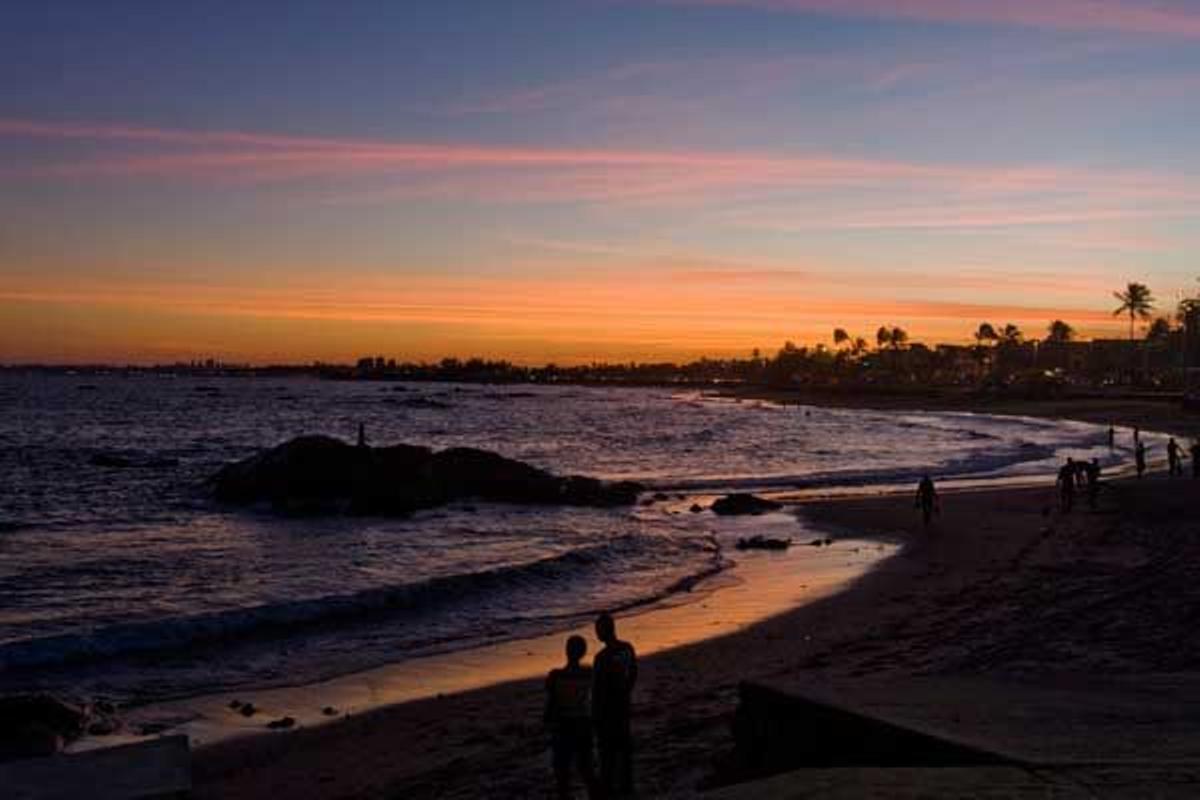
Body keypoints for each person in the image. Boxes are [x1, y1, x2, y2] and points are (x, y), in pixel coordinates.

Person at [545, 635, 596, 800]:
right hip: (583, 723)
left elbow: (551, 703)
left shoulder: (555, 676)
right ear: (583, 652)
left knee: (562, 771)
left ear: (567, 651)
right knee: (586, 767)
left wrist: (548, 720)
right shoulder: (589, 673)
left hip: (564, 725)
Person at [593, 613, 637, 798]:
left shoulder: (603, 657)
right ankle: (626, 786)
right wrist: (626, 690)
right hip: (623, 704)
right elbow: (633, 672)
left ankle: (610, 790)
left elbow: (599, 688)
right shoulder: (627, 648)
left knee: (607, 754)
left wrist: (596, 714)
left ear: (605, 630)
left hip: (608, 709)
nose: (596, 633)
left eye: (598, 629)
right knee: (624, 747)